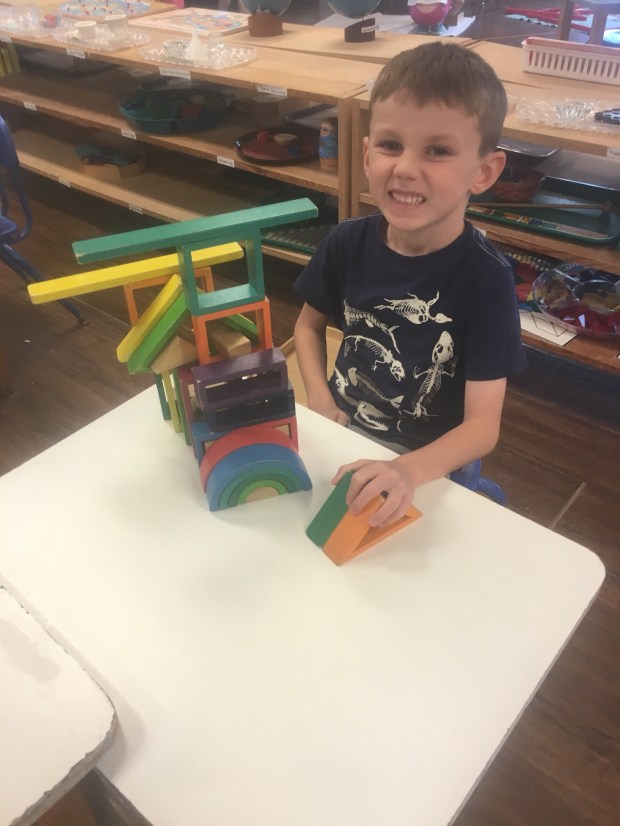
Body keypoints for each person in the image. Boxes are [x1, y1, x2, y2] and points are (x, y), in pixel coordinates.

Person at [294, 42, 527, 529]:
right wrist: (320, 399)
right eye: (390, 145)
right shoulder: (346, 242)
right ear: (366, 154)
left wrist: (406, 470)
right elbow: (307, 328)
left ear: (484, 171)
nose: (404, 168)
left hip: (429, 464)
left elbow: (482, 427)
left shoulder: (486, 278)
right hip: (343, 432)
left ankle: (476, 493)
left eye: (438, 151)